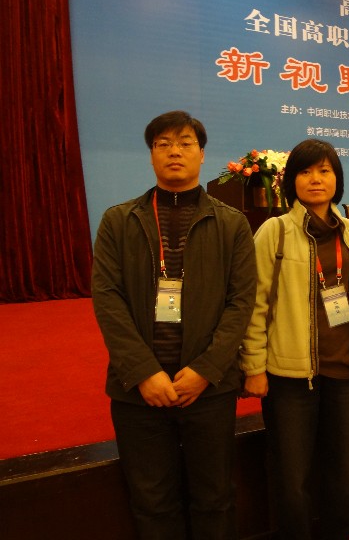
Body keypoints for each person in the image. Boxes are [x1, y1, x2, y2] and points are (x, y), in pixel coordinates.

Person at [91, 110, 257, 539]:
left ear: (202, 154)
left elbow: (241, 301)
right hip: (138, 391)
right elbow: (107, 299)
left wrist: (206, 369)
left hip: (208, 389)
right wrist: (143, 371)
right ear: (151, 156)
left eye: (185, 143)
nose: (174, 152)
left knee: (214, 497)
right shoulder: (119, 220)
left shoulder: (231, 223)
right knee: (152, 501)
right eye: (163, 144)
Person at [239, 138, 349, 540]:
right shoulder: (273, 232)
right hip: (290, 377)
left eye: (325, 171)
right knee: (292, 482)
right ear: (291, 180)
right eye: (306, 171)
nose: (316, 179)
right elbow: (255, 304)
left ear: (337, 179)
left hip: (344, 374)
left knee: (345, 479)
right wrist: (254, 366)